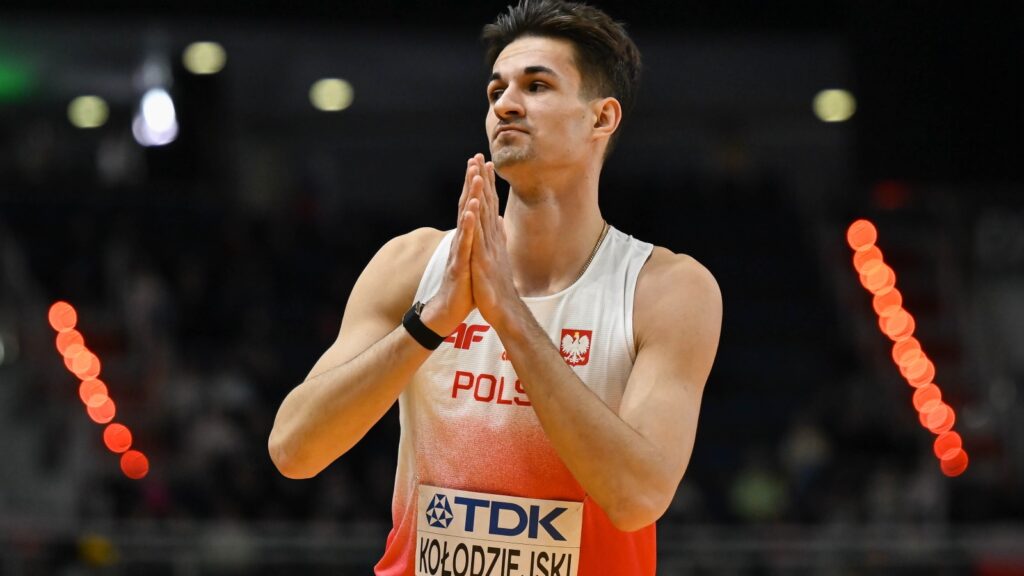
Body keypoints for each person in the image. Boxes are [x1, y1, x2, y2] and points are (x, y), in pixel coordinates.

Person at [268, 1, 722, 574]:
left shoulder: (667, 290)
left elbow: (637, 498)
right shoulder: (412, 265)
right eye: (496, 90)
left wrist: (509, 313)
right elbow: (293, 449)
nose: (505, 104)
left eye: (537, 86)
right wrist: (429, 323)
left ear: (601, 118)